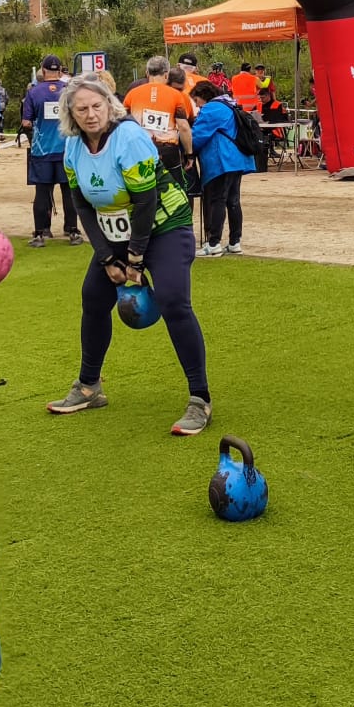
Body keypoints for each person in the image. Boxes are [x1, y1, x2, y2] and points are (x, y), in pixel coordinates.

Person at [45, 72, 213, 436]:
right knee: (93, 296)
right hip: (117, 231)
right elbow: (80, 203)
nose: (91, 114)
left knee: (172, 300)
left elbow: (145, 200)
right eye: (81, 109)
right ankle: (89, 387)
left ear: (110, 104)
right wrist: (107, 258)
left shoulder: (129, 137)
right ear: (71, 115)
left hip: (164, 225)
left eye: (96, 105)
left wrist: (135, 260)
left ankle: (200, 399)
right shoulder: (73, 145)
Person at [21, 54, 80, 247]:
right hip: (66, 149)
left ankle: (41, 232)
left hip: (42, 150)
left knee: (42, 192)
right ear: (60, 70)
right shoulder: (68, 91)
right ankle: (72, 230)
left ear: (43, 70)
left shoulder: (34, 92)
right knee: (69, 191)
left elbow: (26, 122)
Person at [189, 81, 253, 256]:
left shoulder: (212, 109)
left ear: (203, 96)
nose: (196, 104)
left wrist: (185, 147)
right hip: (237, 159)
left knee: (217, 200)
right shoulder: (229, 104)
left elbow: (197, 136)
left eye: (196, 100)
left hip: (222, 161)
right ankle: (234, 241)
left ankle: (214, 243)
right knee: (233, 201)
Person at [124, 55, 196, 184]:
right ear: (167, 75)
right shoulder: (175, 95)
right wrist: (189, 154)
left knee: (144, 191)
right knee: (174, 192)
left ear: (147, 73)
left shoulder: (132, 94)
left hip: (139, 150)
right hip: (168, 151)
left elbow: (121, 124)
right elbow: (184, 127)